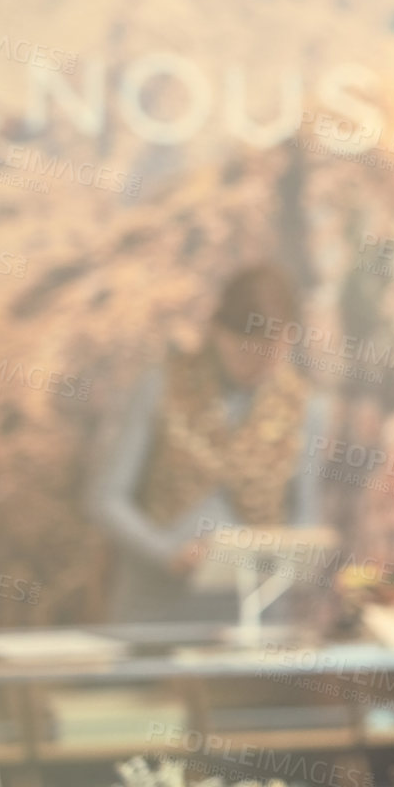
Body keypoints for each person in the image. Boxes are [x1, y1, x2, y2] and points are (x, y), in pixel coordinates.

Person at [88, 263, 330, 625]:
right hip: (154, 608)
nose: (258, 370)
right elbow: (106, 499)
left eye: (273, 355)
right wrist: (167, 552)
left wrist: (288, 557)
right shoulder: (161, 386)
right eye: (247, 354)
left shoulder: (306, 408)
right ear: (220, 334)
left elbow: (304, 517)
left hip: (252, 617)